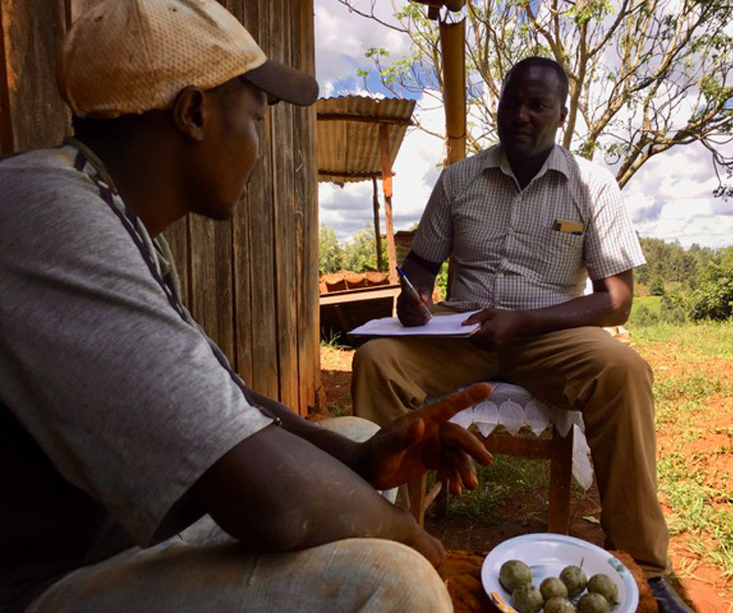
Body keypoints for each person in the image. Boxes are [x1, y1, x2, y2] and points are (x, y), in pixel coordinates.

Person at [0, 1, 494, 612]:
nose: (259, 150)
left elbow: (217, 400)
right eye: (256, 117)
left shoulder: (112, 216)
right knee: (395, 582)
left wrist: (360, 458)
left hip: (121, 540)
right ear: (193, 114)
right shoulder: (50, 216)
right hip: (44, 586)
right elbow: (274, 504)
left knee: (355, 439)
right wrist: (418, 543)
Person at [352, 57, 692, 612]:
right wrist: (410, 297)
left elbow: (617, 300)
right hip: (461, 333)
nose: (521, 115)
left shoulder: (592, 184)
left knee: (624, 371)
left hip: (548, 335)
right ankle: (385, 539)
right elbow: (420, 264)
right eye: (513, 102)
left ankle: (645, 569)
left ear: (561, 115)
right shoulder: (460, 180)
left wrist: (526, 322)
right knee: (377, 361)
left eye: (538, 105)